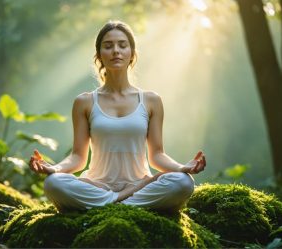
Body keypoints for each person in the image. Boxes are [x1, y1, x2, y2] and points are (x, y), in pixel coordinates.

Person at [29, 20, 206, 213]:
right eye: (108, 46)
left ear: (132, 54)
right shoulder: (85, 102)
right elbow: (78, 157)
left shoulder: (151, 100)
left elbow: (157, 156)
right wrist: (55, 169)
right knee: (53, 183)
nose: (115, 51)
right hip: (97, 186)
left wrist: (182, 167)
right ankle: (122, 201)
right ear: (99, 56)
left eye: (122, 45)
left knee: (183, 183)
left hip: (140, 184)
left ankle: (107, 205)